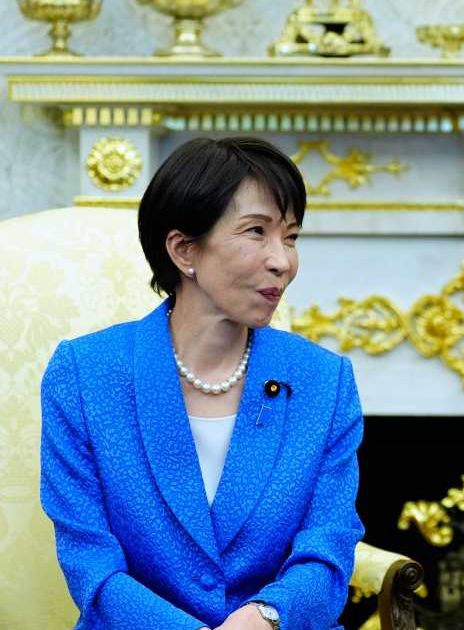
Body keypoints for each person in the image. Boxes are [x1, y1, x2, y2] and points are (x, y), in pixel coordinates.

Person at [40, 137, 365, 629]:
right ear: (184, 249)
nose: (283, 261)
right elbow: (91, 562)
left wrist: (266, 617)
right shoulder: (85, 375)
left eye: (292, 237)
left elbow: (329, 547)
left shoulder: (324, 382)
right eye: (257, 232)